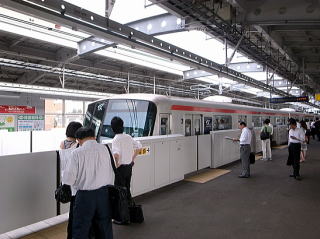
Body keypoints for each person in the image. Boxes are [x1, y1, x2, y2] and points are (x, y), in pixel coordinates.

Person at [63, 127, 114, 239]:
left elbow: (69, 179)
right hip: (103, 194)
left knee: (81, 228)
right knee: (104, 227)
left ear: (79, 140)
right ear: (93, 136)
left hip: (85, 197)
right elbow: (111, 170)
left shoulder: (76, 153)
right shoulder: (105, 149)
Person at [111, 117, 142, 209]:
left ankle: (123, 215)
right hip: (129, 167)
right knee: (127, 188)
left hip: (121, 169)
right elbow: (139, 147)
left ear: (112, 128)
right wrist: (132, 159)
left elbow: (116, 154)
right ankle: (130, 210)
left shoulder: (116, 139)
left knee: (120, 191)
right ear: (122, 126)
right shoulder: (128, 136)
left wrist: (117, 164)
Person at [59, 122, 83, 239]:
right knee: (77, 212)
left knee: (72, 212)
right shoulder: (78, 146)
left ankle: (70, 235)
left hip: (65, 181)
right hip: (76, 183)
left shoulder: (62, 144)